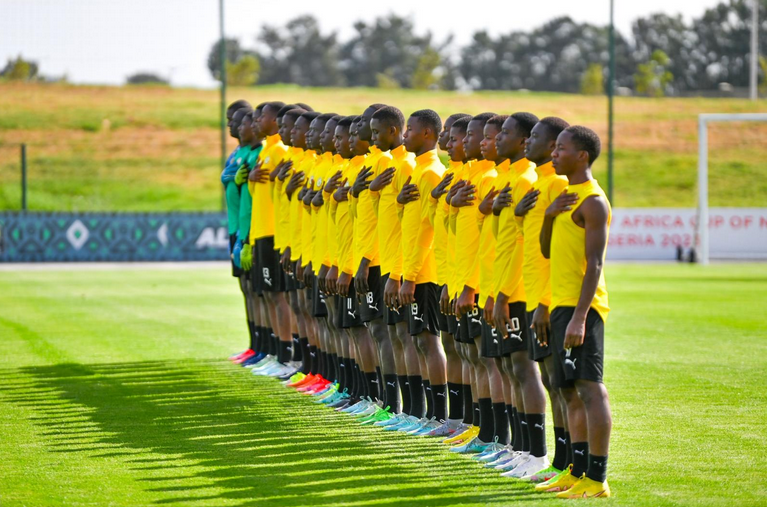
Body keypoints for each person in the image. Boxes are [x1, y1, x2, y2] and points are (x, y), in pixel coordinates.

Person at [537, 126, 612, 499]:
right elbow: (548, 251)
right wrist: (549, 215)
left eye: (561, 149)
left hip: (584, 308)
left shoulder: (594, 201)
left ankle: (597, 479)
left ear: (582, 155)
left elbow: (594, 264)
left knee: (589, 389)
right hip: (561, 304)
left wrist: (581, 317)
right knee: (565, 389)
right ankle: (575, 472)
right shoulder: (566, 196)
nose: (554, 153)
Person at [396, 109, 449, 435]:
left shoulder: (431, 173)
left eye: (410, 130)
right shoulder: (419, 171)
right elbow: (412, 225)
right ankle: (426, 414)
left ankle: (440, 416)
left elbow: (429, 232)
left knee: (429, 343)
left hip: (426, 274)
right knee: (418, 342)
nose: (405, 135)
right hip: (415, 272)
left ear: (428, 133)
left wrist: (410, 275)